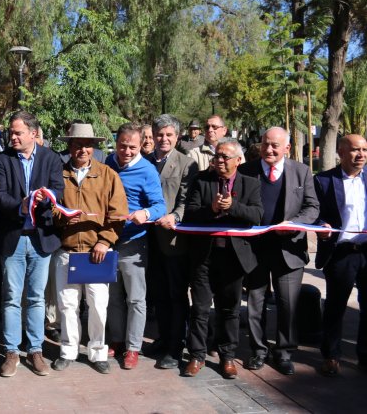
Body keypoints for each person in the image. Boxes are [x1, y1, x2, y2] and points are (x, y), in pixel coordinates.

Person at [238, 127, 319, 376]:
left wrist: (295, 224)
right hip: (255, 248)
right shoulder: (246, 170)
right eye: (265, 144)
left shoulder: (301, 171)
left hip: (289, 249)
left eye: (275, 145)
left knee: (288, 305)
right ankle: (258, 351)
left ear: (287, 147)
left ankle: (284, 352)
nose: (269, 150)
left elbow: (312, 207)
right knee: (255, 303)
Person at [182, 138, 263, 379]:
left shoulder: (250, 184)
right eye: (216, 156)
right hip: (204, 257)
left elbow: (257, 215)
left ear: (238, 160)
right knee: (200, 308)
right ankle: (196, 355)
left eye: (224, 157)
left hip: (233, 257)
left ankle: (227, 356)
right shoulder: (201, 181)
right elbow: (190, 215)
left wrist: (233, 207)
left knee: (230, 309)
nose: (219, 160)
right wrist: (213, 210)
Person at [0, 111, 64, 378]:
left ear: (33, 133)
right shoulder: (1, 160)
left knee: (36, 298)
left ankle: (35, 350)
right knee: (11, 298)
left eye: (18, 132)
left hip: (40, 239)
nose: (13, 136)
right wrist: (20, 205)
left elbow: (59, 189)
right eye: (11, 132)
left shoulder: (51, 158)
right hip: (13, 238)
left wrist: (45, 198)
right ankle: (11, 352)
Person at [51, 123, 128, 374]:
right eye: (77, 144)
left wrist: (105, 241)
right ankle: (68, 350)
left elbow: (118, 214)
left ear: (94, 147)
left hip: (97, 253)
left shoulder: (108, 175)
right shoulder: (58, 174)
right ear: (69, 146)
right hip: (67, 250)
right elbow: (49, 207)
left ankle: (97, 352)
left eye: (87, 144)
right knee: (67, 305)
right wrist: (62, 217)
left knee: (97, 306)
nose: (82, 149)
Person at [104, 123, 166, 369]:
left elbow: (160, 206)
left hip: (134, 242)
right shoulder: (108, 163)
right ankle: (117, 340)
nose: (126, 151)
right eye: (122, 146)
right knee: (113, 297)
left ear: (140, 145)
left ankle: (133, 347)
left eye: (131, 147)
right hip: (108, 241)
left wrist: (146, 212)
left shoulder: (147, 170)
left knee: (136, 299)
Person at [146, 115, 198, 369]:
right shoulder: (143, 162)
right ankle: (164, 338)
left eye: (169, 135)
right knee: (158, 294)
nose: (163, 139)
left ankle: (176, 345)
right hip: (147, 240)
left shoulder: (187, 164)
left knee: (176, 294)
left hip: (174, 239)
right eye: (159, 134)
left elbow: (188, 199)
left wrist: (175, 216)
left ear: (177, 137)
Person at [313, 134, 367, 376]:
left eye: (365, 150)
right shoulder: (324, 181)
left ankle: (364, 357)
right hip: (340, 252)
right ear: (341, 152)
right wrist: (320, 226)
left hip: (366, 251)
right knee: (335, 306)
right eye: (355, 150)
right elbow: (314, 213)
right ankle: (331, 355)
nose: (361, 155)